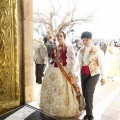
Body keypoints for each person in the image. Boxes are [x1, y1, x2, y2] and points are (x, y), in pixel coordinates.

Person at [40, 31, 80, 117]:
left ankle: (64, 108)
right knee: (52, 88)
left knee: (62, 88)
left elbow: (72, 60)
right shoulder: (56, 47)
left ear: (64, 37)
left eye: (61, 36)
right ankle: (51, 107)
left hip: (64, 70)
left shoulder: (68, 47)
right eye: (58, 36)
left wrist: (70, 71)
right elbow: (54, 59)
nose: (59, 38)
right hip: (54, 68)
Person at [75, 31, 106, 120]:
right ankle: (88, 107)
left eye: (86, 40)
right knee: (85, 93)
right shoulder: (80, 50)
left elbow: (102, 64)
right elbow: (78, 64)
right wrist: (76, 74)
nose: (85, 42)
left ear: (91, 39)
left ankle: (90, 114)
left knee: (88, 92)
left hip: (94, 74)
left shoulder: (98, 50)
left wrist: (103, 77)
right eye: (83, 40)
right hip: (83, 73)